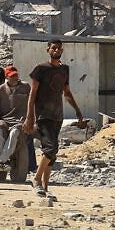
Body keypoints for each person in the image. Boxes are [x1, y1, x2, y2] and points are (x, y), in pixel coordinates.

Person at [23, 39, 85, 201]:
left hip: (58, 115)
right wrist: (30, 116)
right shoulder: (41, 69)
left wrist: (78, 111)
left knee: (52, 152)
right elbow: (32, 93)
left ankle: (45, 187)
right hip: (44, 115)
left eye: (59, 48)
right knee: (50, 148)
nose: (56, 50)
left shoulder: (64, 69)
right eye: (53, 48)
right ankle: (36, 179)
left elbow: (67, 92)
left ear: (62, 50)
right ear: (48, 50)